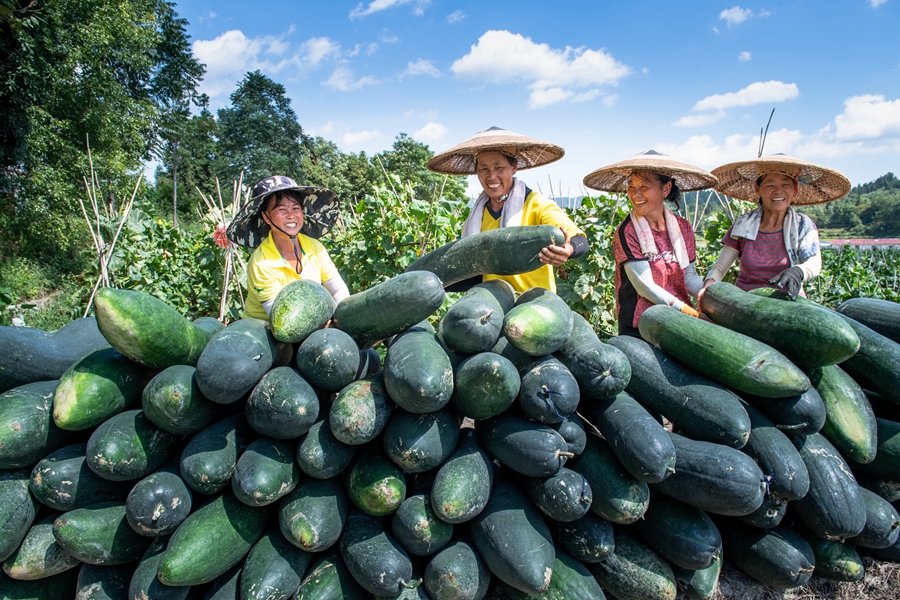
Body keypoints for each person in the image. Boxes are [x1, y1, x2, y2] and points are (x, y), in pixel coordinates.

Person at [426, 126, 588, 293]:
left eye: (499, 167)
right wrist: (430, 283)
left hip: (536, 303)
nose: (491, 176)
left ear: (514, 167)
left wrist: (569, 249)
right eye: (483, 168)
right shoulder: (475, 217)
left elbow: (580, 241)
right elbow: (475, 274)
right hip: (493, 303)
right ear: (476, 171)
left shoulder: (536, 204)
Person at [582, 150, 718, 337]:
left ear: (666, 189)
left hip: (679, 322)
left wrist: (707, 296)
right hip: (641, 326)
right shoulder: (627, 232)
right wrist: (691, 313)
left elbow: (689, 277)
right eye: (631, 186)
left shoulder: (683, 228)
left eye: (644, 186)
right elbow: (645, 287)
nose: (635, 194)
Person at [702, 154, 851, 300]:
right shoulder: (743, 226)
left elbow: (814, 264)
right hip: (745, 303)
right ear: (757, 189)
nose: (778, 190)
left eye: (785, 184)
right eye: (770, 185)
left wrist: (798, 271)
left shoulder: (803, 226)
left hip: (787, 303)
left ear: (795, 190)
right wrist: (708, 286)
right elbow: (720, 267)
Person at [226, 175, 349, 319]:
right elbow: (282, 320)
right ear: (266, 217)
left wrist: (343, 317)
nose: (291, 215)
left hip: (309, 320)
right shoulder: (261, 263)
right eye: (282, 209)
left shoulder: (315, 248)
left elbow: (338, 290)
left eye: (295, 208)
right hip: (265, 329)